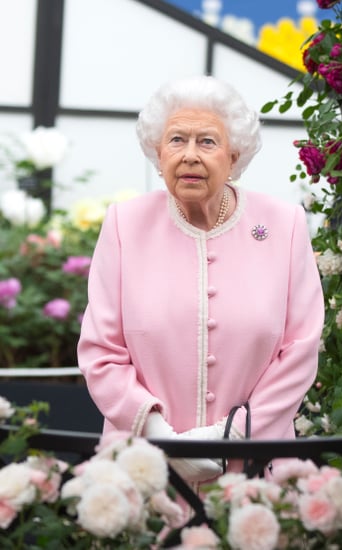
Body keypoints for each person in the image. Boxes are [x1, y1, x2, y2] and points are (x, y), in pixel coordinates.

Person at [77, 75, 325, 484]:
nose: (190, 155)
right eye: (177, 140)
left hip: (255, 470)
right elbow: (101, 352)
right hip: (146, 470)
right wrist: (163, 440)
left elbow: (300, 351)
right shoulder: (124, 225)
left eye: (207, 141)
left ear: (234, 154)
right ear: (158, 154)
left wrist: (226, 437)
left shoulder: (285, 225)